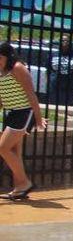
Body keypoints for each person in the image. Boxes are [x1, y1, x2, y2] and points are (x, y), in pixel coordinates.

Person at [0, 42, 47, 200]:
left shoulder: (18, 68)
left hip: (24, 113)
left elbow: (31, 94)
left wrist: (39, 118)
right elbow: (2, 96)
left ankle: (25, 183)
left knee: (2, 148)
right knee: (14, 152)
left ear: (8, 56)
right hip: (12, 113)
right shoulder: (2, 71)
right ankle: (19, 188)